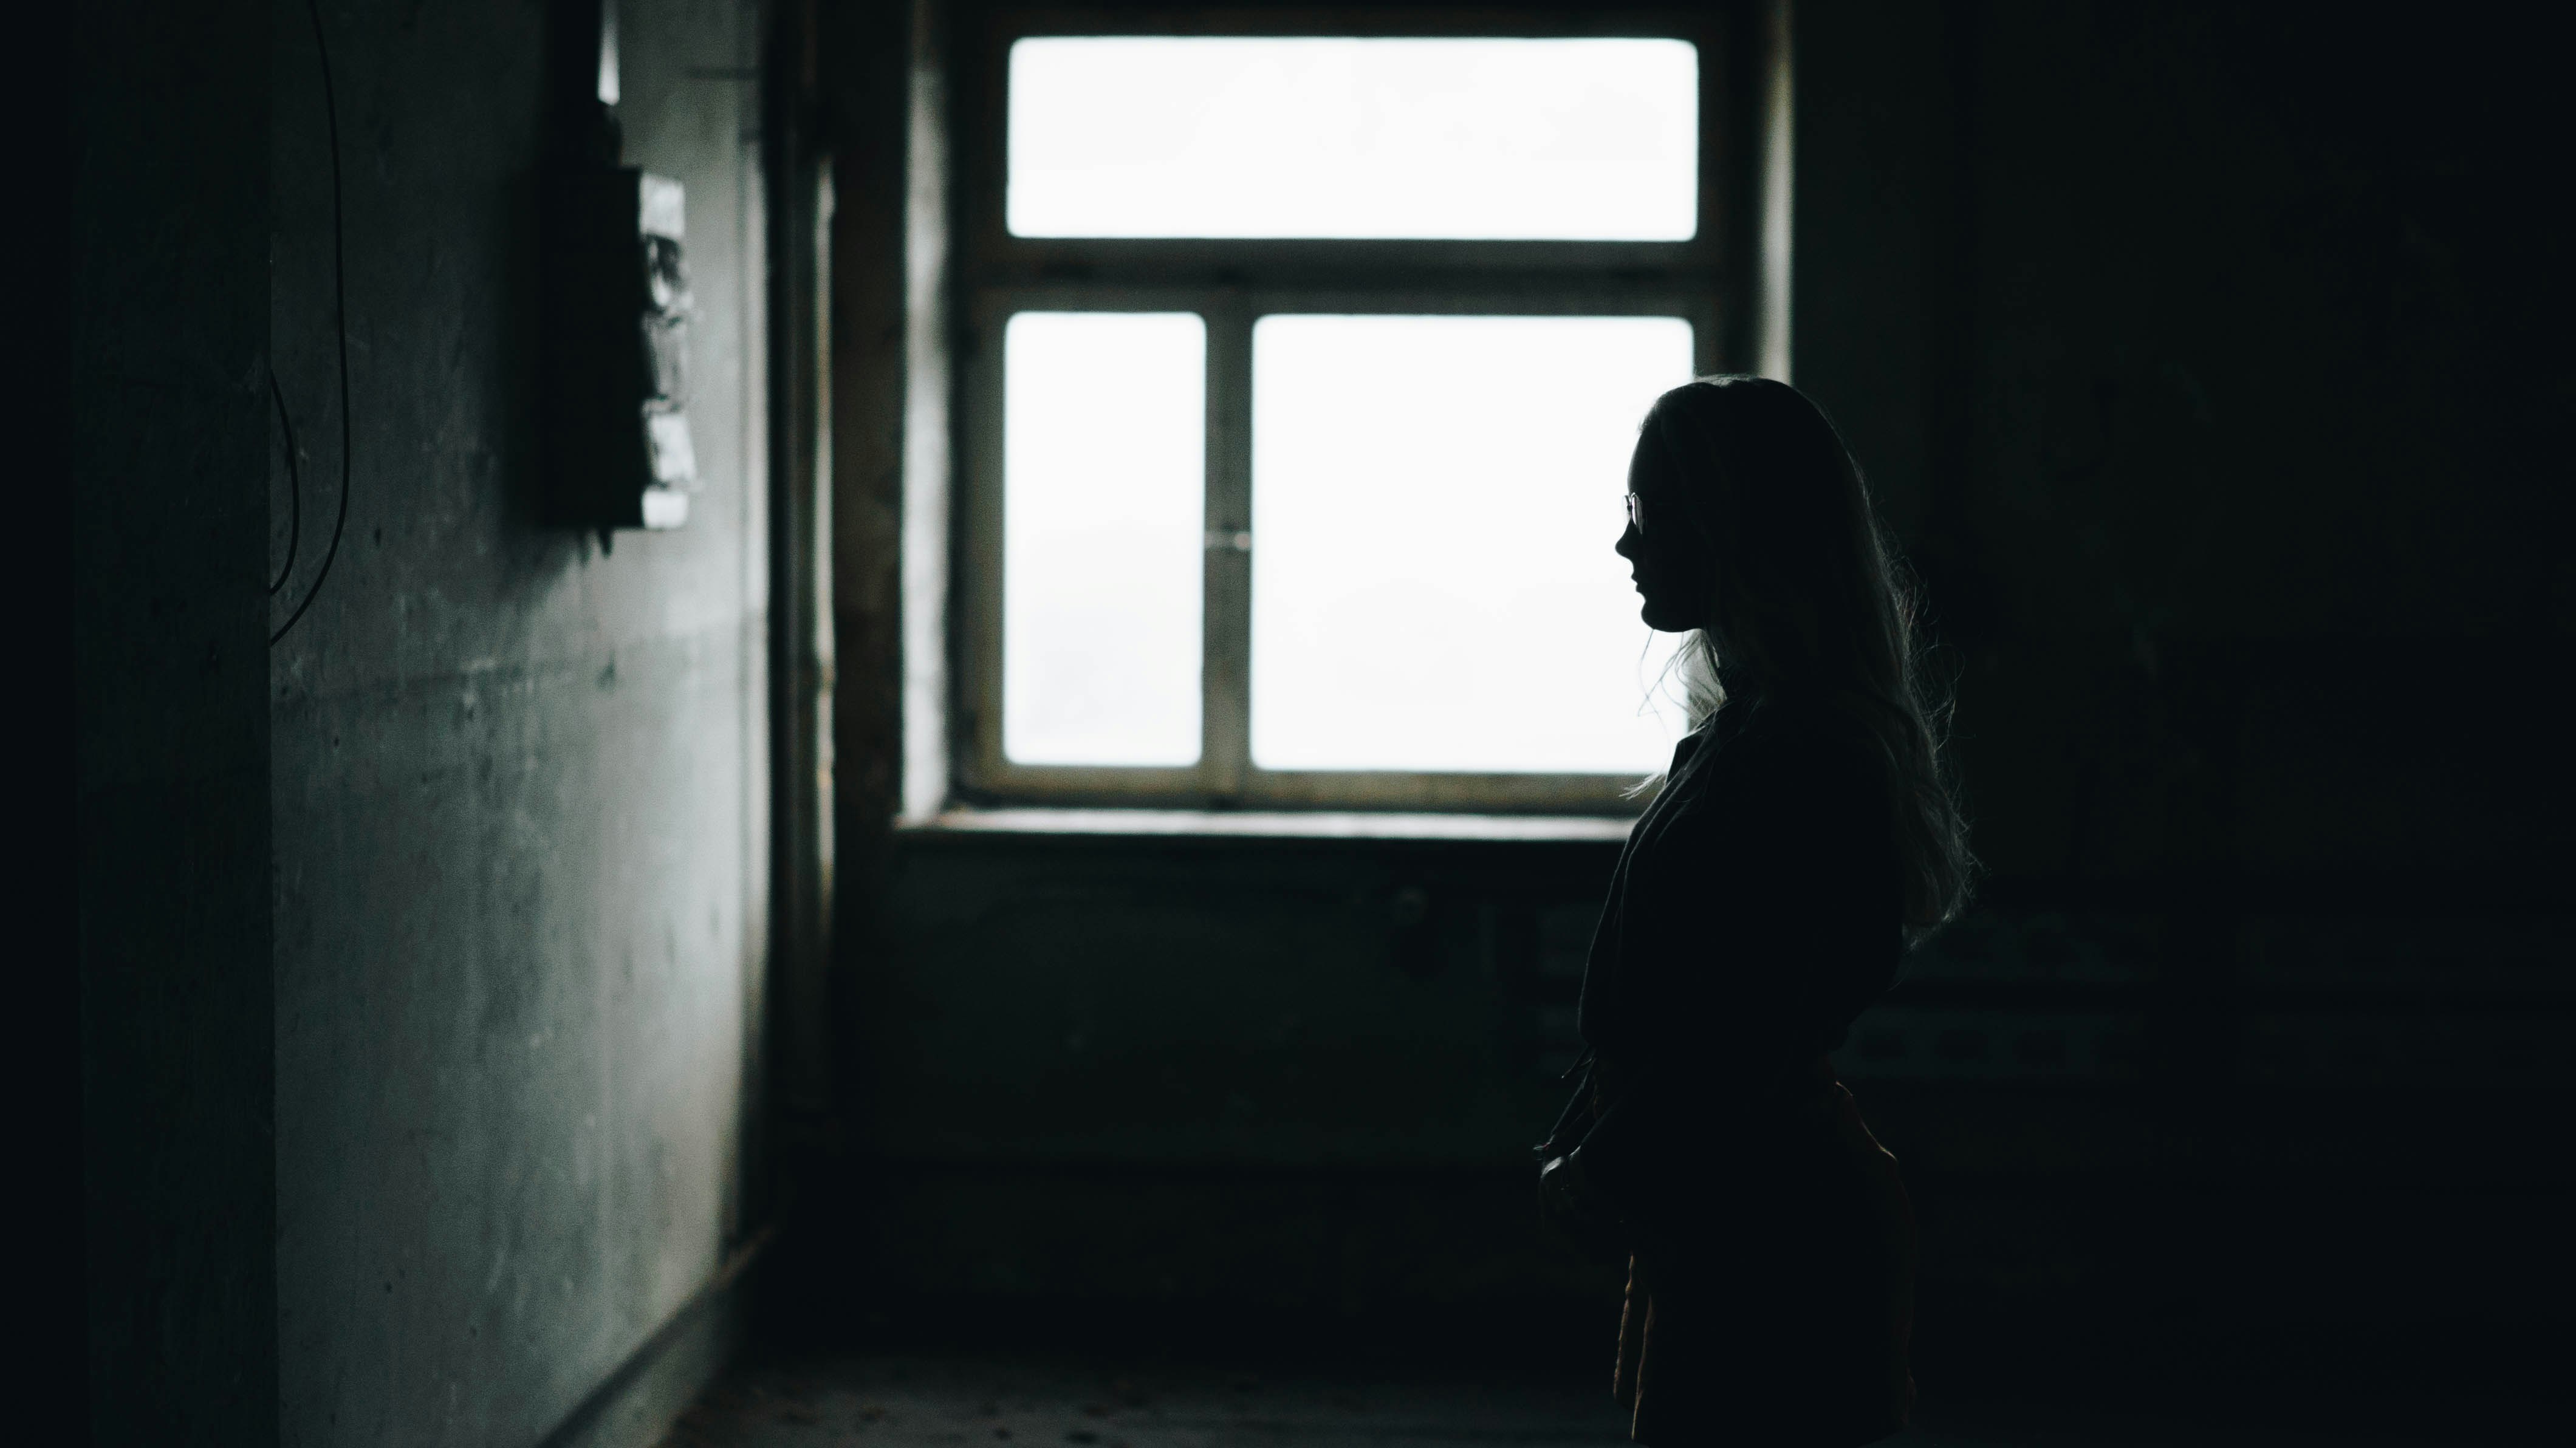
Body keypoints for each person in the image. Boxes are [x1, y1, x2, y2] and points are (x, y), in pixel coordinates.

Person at [1535, 376, 1973, 1446]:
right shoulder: (1758, 742)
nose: (1625, 547)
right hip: (1737, 1211)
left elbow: (1744, 1030)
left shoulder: (1796, 761)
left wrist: (1600, 1168)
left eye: (1647, 514)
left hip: (1769, 1233)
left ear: (1728, 526)